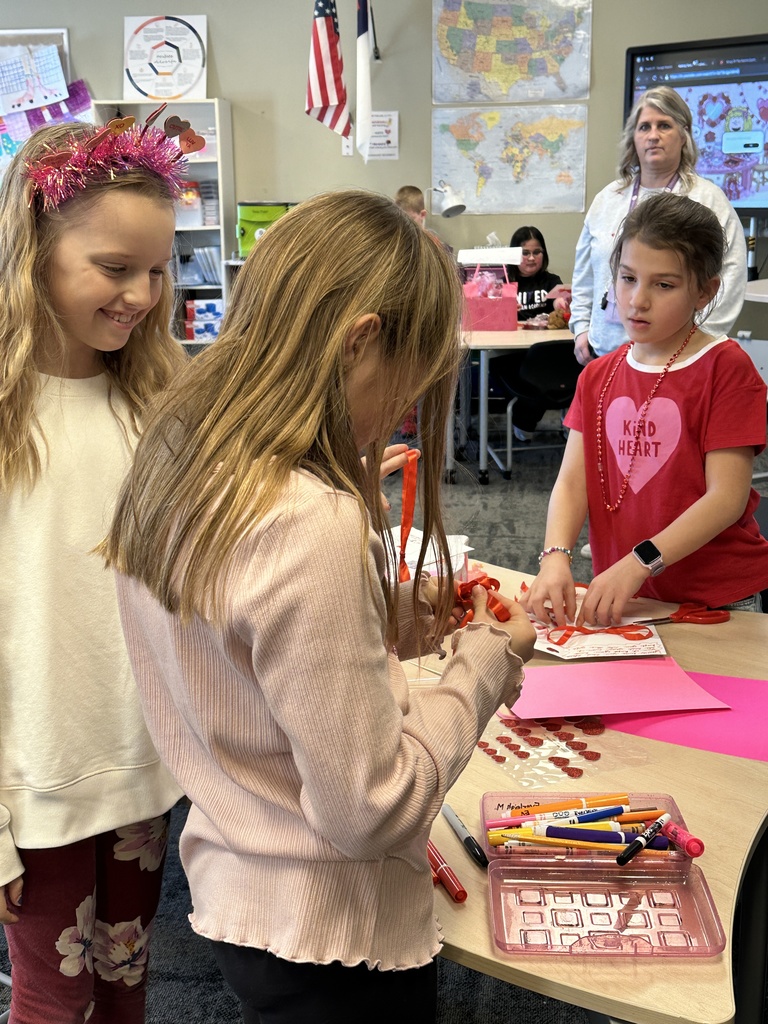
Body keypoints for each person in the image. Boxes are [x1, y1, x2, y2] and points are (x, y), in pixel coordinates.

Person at [102, 189, 536, 1024]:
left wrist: (389, 610)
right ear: (360, 342)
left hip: (241, 891)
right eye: (408, 385)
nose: (404, 413)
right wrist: (485, 664)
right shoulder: (312, 517)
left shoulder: (176, 450)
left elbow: (239, 647)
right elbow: (370, 810)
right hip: (334, 929)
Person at [0, 117, 189, 1022]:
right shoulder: (9, 420)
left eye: (156, 270)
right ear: (34, 250)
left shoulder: (151, 399)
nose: (142, 295)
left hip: (139, 764)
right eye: (114, 269)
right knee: (51, 1000)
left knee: (125, 986)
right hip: (31, 781)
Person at [523, 191, 768, 630]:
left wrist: (639, 561)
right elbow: (573, 481)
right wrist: (555, 556)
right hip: (627, 598)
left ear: (705, 291)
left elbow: (726, 499)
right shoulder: (597, 375)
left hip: (715, 600)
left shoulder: (725, 367)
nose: (637, 300)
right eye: (627, 278)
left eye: (664, 284)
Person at [570, 85, 747, 367]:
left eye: (664, 125)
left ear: (684, 136)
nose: (653, 135)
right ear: (633, 138)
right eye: (644, 127)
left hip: (676, 359)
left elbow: (730, 278)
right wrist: (580, 328)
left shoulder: (708, 200)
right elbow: (585, 273)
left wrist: (699, 344)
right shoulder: (607, 199)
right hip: (606, 354)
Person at [494, 226, 574, 441]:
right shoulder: (502, 283)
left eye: (536, 252)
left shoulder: (551, 281)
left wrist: (562, 303)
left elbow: (559, 300)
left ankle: (570, 419)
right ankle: (525, 419)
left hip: (545, 357)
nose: (531, 258)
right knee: (529, 382)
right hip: (511, 355)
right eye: (525, 253)